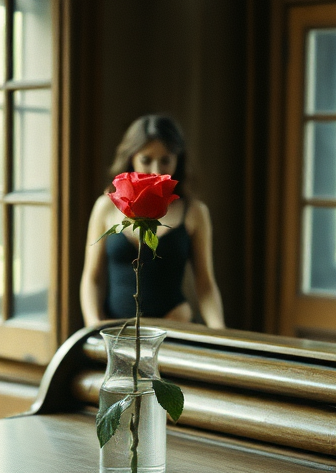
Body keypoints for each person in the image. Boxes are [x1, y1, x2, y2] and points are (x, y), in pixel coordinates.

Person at [80, 115, 226, 329]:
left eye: (166, 160)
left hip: (175, 329)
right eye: (146, 160)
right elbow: (92, 278)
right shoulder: (106, 207)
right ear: (132, 158)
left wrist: (220, 332)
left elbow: (205, 284)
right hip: (118, 335)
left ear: (178, 159)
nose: (156, 170)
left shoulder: (194, 212)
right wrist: (93, 325)